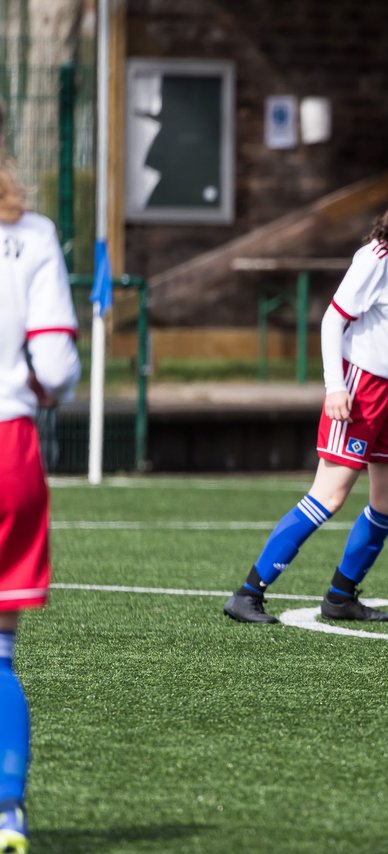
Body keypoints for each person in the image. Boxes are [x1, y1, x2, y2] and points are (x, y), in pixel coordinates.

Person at [223, 166, 388, 624]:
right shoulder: (377, 257)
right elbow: (334, 320)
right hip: (361, 388)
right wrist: (335, 386)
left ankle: (340, 597)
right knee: (328, 496)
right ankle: (248, 593)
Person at [0, 99, 82, 851]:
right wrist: (42, 389)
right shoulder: (32, 235)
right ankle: (7, 812)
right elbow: (55, 361)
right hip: (9, 448)